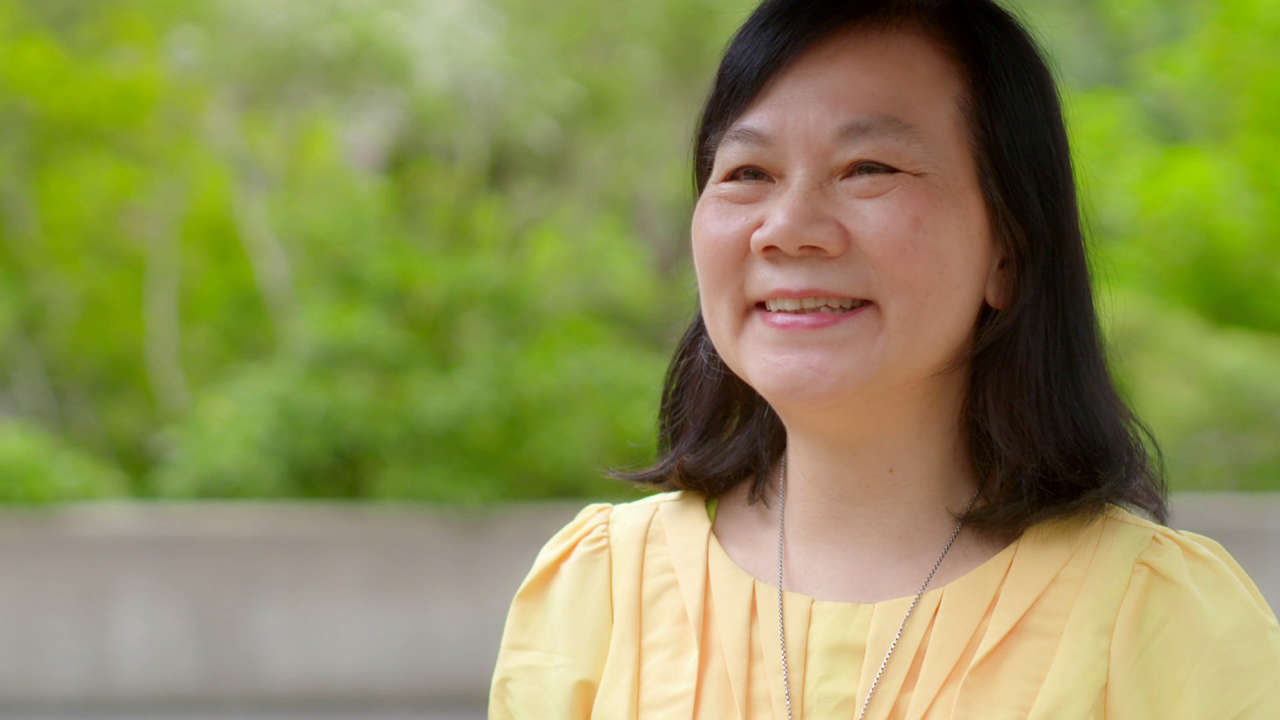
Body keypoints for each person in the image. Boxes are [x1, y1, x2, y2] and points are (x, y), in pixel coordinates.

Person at [488, 0, 1280, 717]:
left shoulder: (1162, 619)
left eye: (869, 169)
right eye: (748, 173)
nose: (787, 228)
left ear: (1008, 249)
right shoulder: (601, 592)